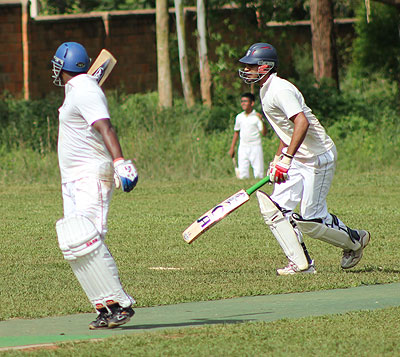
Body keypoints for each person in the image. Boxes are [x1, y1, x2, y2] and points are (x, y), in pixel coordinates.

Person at [238, 43, 370, 275]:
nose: (246, 70)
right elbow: (284, 130)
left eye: (251, 66)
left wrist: (287, 158)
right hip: (298, 157)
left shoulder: (280, 89)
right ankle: (302, 264)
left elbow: (301, 122)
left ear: (265, 67)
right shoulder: (264, 90)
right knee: (275, 210)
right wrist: (278, 158)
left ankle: (355, 240)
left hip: (318, 157)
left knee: (311, 220)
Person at [51, 42, 138, 329]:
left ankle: (121, 305)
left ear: (64, 66)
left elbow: (105, 126)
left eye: (56, 64)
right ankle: (104, 306)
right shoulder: (78, 88)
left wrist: (120, 161)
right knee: (75, 242)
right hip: (73, 178)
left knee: (89, 239)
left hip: (91, 174)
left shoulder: (86, 90)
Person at [229, 92, 267, 179]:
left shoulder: (257, 117)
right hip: (243, 146)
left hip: (255, 146)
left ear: (252, 103)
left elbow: (264, 133)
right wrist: (232, 147)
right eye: (242, 101)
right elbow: (236, 132)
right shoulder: (239, 117)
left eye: (245, 101)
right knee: (243, 173)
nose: (243, 103)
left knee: (258, 173)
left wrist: (262, 120)